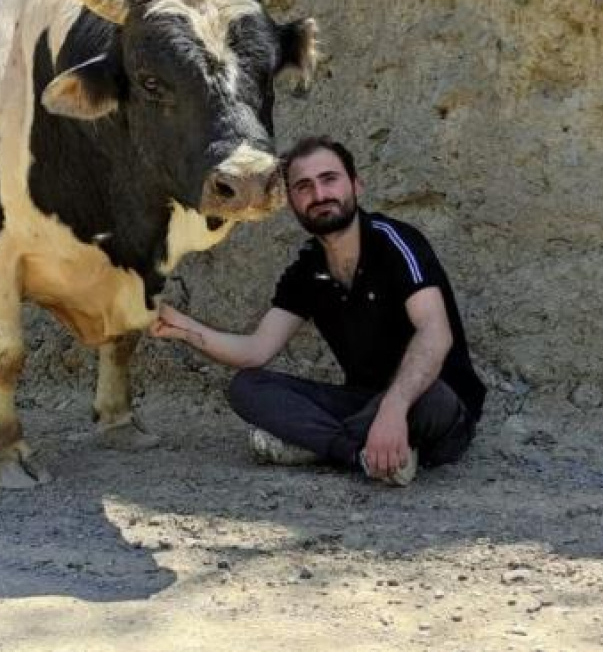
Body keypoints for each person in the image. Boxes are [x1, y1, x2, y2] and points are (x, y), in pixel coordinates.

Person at [149, 135, 485, 485]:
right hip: (362, 402)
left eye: (330, 180)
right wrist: (180, 327)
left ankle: (320, 445)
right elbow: (255, 352)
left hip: (432, 406)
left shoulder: (394, 242)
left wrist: (394, 408)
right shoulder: (308, 269)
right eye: (304, 187)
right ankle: (360, 455)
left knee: (432, 397)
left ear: (356, 185)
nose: (319, 195)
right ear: (291, 201)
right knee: (247, 388)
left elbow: (435, 331)